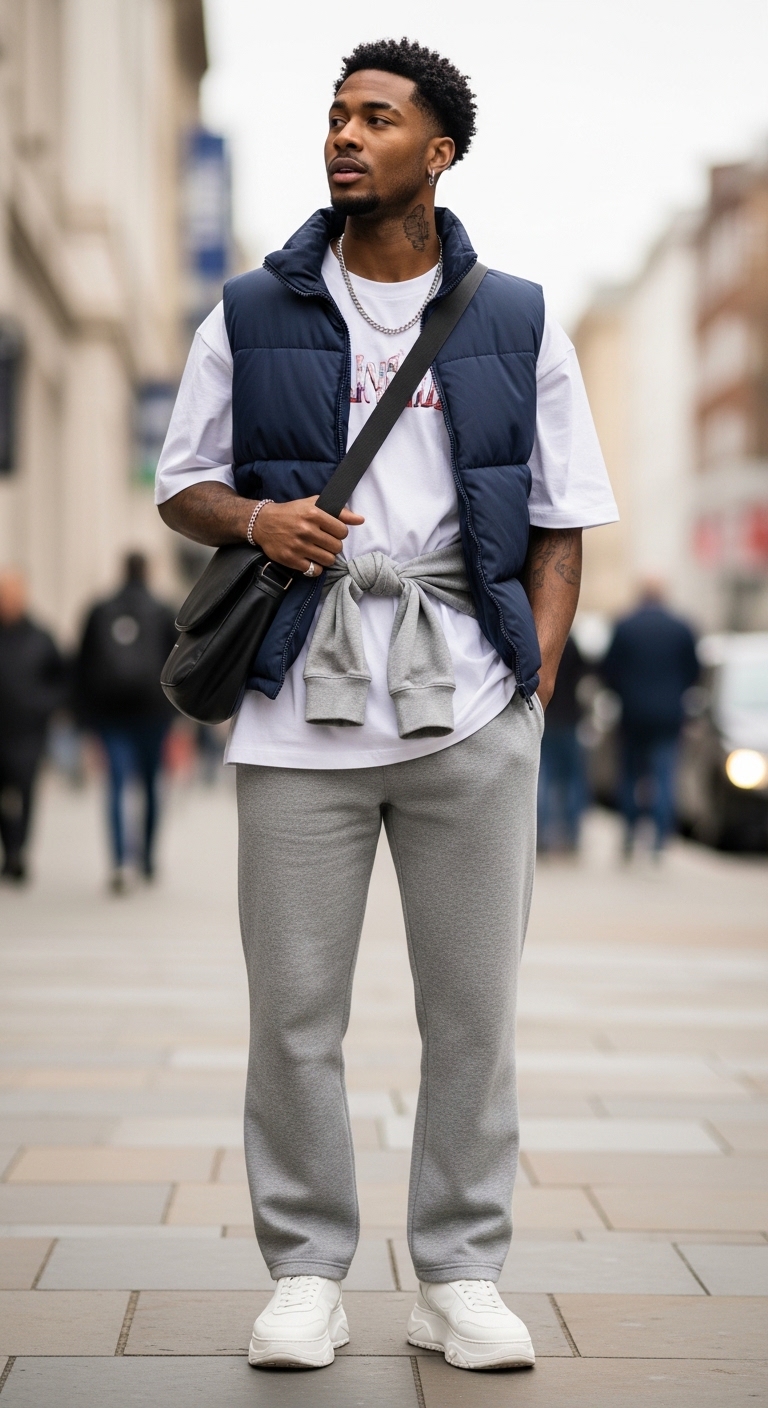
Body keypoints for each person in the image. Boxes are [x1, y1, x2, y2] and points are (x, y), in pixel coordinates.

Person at [156, 39, 618, 1373]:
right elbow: (183, 480)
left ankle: (459, 1274)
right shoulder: (249, 309)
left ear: (440, 152)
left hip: (469, 711)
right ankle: (306, 1269)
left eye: (378, 118)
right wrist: (259, 516)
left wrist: (525, 686)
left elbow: (562, 521)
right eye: (336, 115)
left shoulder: (518, 317)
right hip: (301, 710)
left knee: (472, 1012)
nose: (346, 136)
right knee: (294, 1010)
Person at [75, 552, 177, 891]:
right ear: (148, 571)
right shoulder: (164, 611)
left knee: (117, 784)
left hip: (110, 714)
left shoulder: (100, 610)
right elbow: (179, 665)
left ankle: (120, 861)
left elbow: (82, 665)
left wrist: (83, 717)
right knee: (150, 786)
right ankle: (146, 857)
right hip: (154, 713)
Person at [603, 580, 699, 856]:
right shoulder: (681, 628)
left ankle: (630, 835)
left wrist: (624, 693)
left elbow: (609, 670)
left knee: (630, 776)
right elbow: (693, 671)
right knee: (665, 777)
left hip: (632, 714)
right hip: (668, 716)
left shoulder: (625, 626)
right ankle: (659, 840)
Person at [0, 569, 67, 882]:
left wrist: (44, 705)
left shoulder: (40, 636)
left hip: (28, 731)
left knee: (24, 791)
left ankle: (19, 852)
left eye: (11, 594)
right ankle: (9, 849)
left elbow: (62, 679)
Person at [537, 633, 589, 853]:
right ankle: (571, 835)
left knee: (544, 778)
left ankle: (541, 837)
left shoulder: (536, 636)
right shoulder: (571, 641)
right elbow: (583, 674)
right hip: (568, 718)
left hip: (546, 716)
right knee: (572, 779)